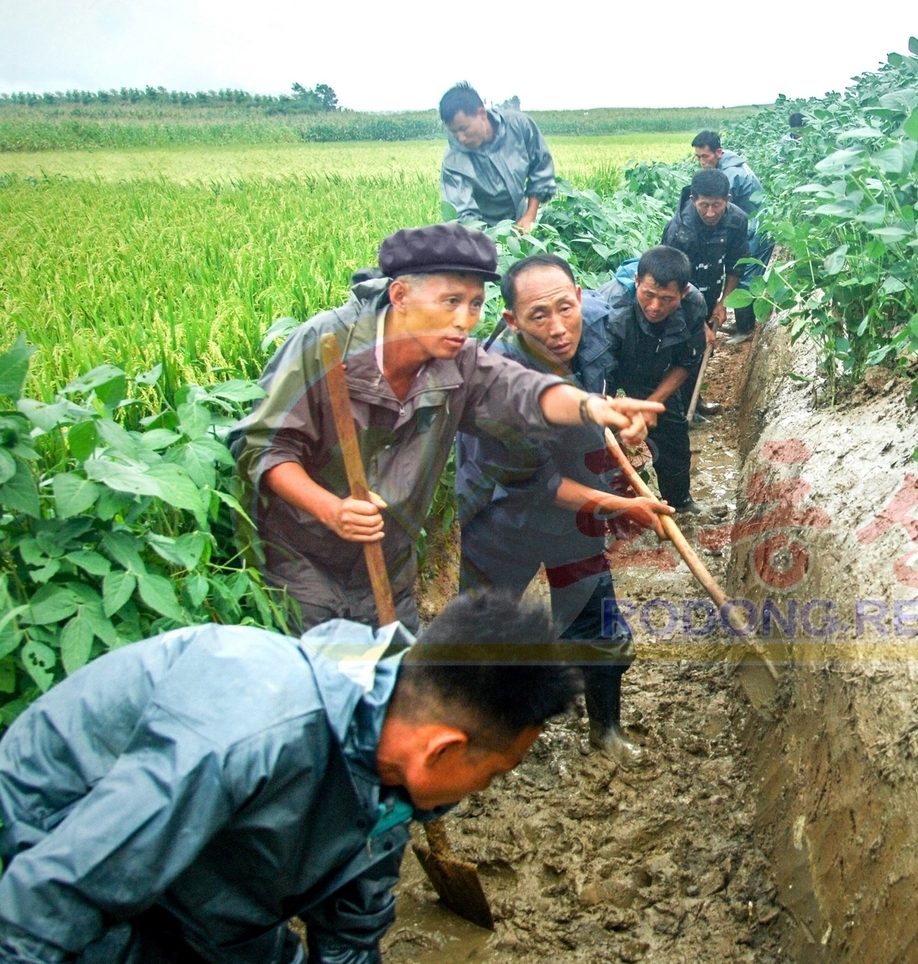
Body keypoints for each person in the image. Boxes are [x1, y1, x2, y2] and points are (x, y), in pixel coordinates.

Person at [0, 591, 579, 964]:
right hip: (47, 849)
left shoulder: (390, 793)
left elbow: (351, 938)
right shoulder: (249, 731)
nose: (485, 791)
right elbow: (53, 899)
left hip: (199, 878)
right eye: (494, 774)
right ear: (440, 749)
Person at [235, 223, 661, 634]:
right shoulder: (326, 343)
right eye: (451, 301)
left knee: (395, 683)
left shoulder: (459, 359)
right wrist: (332, 509)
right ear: (400, 295)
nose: (466, 320)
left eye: (475, 304)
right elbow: (264, 447)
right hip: (306, 561)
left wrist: (592, 407)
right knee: (332, 687)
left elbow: (522, 391)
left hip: (391, 559)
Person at [457, 254, 674, 767]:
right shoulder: (497, 382)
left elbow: (597, 389)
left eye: (564, 307)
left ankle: (606, 731)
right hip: (500, 510)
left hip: (572, 502)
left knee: (595, 618)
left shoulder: (595, 321)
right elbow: (538, 486)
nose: (558, 328)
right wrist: (623, 505)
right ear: (511, 320)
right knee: (488, 627)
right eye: (538, 317)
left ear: (579, 297)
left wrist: (623, 423)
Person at [601, 246, 708, 513]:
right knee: (599, 441)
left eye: (666, 299)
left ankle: (679, 504)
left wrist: (652, 404)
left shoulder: (694, 305)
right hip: (609, 368)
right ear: (636, 281)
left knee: (673, 435)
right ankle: (609, 512)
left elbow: (686, 362)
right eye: (647, 295)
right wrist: (608, 409)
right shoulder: (609, 307)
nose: (655, 307)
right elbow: (598, 372)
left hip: (657, 369)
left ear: (683, 293)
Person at [439, 82, 556, 232]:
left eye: (464, 129)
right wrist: (485, 243)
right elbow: (463, 216)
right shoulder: (453, 161)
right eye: (454, 132)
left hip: (523, 216)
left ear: (481, 114)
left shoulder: (519, 126)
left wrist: (529, 216)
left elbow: (541, 170)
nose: (461, 138)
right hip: (483, 229)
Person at [690, 132, 770, 344]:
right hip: (752, 222)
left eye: (705, 156)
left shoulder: (730, 176)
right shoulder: (727, 160)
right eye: (698, 157)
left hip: (757, 227)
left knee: (744, 273)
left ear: (718, 152)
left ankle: (745, 329)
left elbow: (722, 216)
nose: (702, 162)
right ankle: (742, 322)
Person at [661, 169, 749, 338]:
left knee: (704, 345)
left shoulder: (737, 221)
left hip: (710, 290)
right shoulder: (678, 233)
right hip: (679, 300)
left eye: (716, 205)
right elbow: (673, 283)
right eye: (704, 205)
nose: (710, 213)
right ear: (693, 200)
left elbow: (736, 264)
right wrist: (700, 326)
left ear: (727, 199)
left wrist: (724, 302)